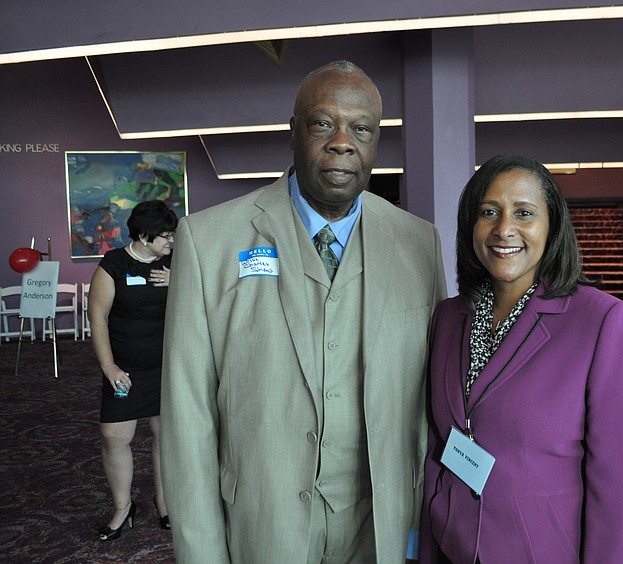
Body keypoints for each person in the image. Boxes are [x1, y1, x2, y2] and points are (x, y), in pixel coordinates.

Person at [160, 60, 447, 563]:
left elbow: (430, 404)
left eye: (361, 128)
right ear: (293, 133)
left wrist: (420, 535)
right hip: (262, 522)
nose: (343, 141)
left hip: (380, 525)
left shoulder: (418, 242)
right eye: (323, 123)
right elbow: (188, 417)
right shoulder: (208, 240)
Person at [420, 154, 623, 563]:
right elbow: (438, 445)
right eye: (488, 212)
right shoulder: (449, 316)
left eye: (524, 213)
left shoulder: (604, 322)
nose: (503, 229)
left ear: (552, 226)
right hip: (451, 543)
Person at [89, 199, 177, 541]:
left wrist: (178, 280)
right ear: (143, 235)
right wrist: (109, 366)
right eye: (165, 237)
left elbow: (204, 299)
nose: (170, 242)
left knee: (165, 438)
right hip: (124, 369)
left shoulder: (175, 264)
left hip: (166, 367)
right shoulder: (113, 264)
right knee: (114, 436)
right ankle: (123, 509)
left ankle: (164, 503)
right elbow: (97, 318)